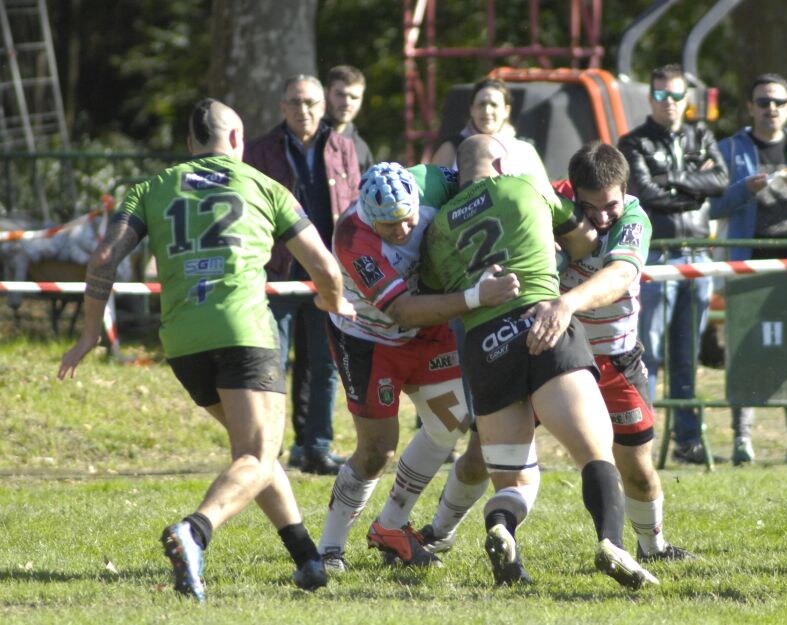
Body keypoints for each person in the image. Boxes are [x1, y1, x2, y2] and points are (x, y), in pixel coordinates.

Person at [57, 98, 356, 601]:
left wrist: (90, 332)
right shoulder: (264, 185)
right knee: (260, 454)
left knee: (254, 453)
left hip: (182, 341)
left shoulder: (151, 188)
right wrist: (335, 303)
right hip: (242, 331)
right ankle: (195, 532)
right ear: (237, 140)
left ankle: (306, 558)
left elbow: (104, 256)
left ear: (191, 144)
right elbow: (325, 267)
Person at [417, 142, 695, 564]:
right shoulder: (547, 196)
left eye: (610, 207)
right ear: (572, 193)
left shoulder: (635, 216)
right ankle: (437, 533)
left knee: (636, 470)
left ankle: (653, 546)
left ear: (625, 190)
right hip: (544, 349)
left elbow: (619, 275)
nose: (602, 218)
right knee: (479, 459)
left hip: (611, 355)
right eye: (590, 208)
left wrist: (566, 304)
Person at [318, 161, 520, 571]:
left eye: (407, 219)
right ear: (368, 215)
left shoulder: (433, 182)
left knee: (451, 421)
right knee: (377, 450)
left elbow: (483, 181)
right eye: (389, 226)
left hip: (428, 331)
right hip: (369, 337)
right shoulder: (352, 235)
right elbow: (402, 310)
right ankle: (329, 547)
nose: (402, 231)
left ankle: (391, 524)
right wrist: (476, 297)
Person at [709, 73, 787, 466]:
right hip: (747, 261)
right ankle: (742, 440)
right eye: (763, 102)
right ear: (750, 107)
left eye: (778, 102)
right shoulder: (729, 149)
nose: (771, 109)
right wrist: (743, 189)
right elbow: (711, 206)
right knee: (746, 349)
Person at [244, 74, 360, 475]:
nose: (303, 110)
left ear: (322, 106)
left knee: (325, 365)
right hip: (276, 272)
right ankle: (268, 449)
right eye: (295, 102)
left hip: (328, 273)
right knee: (271, 362)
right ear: (282, 107)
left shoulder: (344, 148)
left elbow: (355, 210)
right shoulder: (258, 151)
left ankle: (316, 447)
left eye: (310, 102)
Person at [617, 63, 728, 465]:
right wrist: (691, 184)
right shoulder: (633, 142)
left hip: (698, 257)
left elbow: (721, 180)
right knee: (650, 354)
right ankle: (639, 438)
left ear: (687, 99)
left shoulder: (702, 135)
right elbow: (646, 192)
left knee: (687, 354)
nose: (670, 103)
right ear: (651, 99)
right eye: (662, 95)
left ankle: (688, 440)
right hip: (658, 259)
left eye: (677, 95)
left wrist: (675, 182)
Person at [430, 76, 545, 178]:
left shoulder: (524, 151)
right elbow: (432, 191)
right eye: (481, 104)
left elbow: (544, 195)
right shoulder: (451, 148)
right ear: (472, 109)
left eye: (494, 105)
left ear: (506, 111)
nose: (487, 111)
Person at [324, 64, 374, 174]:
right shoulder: (306, 139)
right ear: (326, 93)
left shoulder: (361, 149)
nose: (347, 103)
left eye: (354, 97)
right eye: (340, 95)